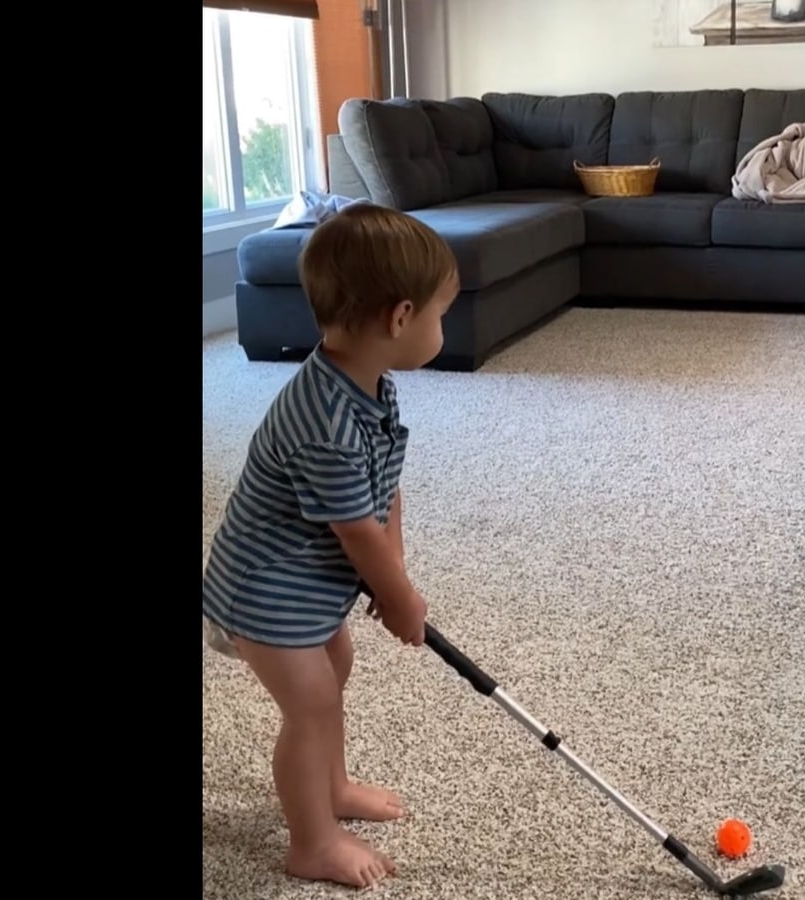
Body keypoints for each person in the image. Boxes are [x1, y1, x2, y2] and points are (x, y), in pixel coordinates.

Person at [202, 202, 459, 888]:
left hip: (305, 579)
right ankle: (311, 842)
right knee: (310, 703)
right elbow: (353, 529)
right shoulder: (325, 422)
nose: (443, 326)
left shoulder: (370, 386)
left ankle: (332, 784)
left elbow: (385, 489)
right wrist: (400, 598)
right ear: (400, 319)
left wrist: (392, 575)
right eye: (441, 313)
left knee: (334, 666)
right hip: (263, 588)